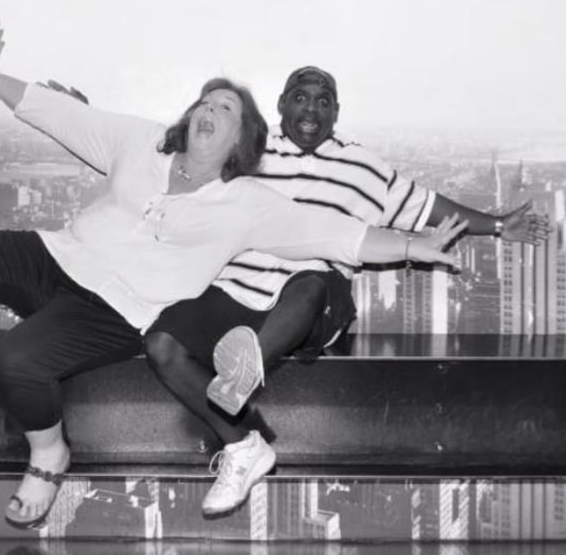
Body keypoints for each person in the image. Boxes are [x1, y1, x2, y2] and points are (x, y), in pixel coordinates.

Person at [0, 23, 466, 529]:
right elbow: (65, 116)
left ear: (243, 141)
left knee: (14, 361)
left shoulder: (248, 202)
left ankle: (49, 456)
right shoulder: (146, 143)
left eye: (227, 110)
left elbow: (343, 237)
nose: (210, 110)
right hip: (57, 253)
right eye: (206, 101)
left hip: (115, 309)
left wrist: (419, 246)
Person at [144, 66, 552, 516]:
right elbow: (179, 162)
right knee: (161, 343)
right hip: (239, 287)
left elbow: (427, 207)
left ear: (336, 112)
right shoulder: (250, 153)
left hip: (313, 300)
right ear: (281, 105)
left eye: (323, 100)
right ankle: (242, 442)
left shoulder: (363, 166)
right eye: (300, 97)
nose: (311, 109)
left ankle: (239, 378)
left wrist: (497, 225)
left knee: (311, 282)